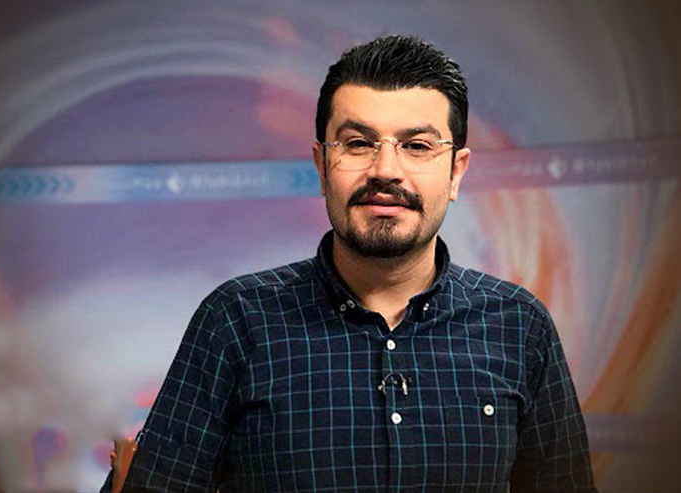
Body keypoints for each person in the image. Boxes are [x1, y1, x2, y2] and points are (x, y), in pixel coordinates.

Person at [107, 35, 597, 492]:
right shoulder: (236, 320)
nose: (386, 170)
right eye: (359, 143)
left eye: (417, 146)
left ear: (456, 172)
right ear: (322, 165)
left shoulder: (519, 326)